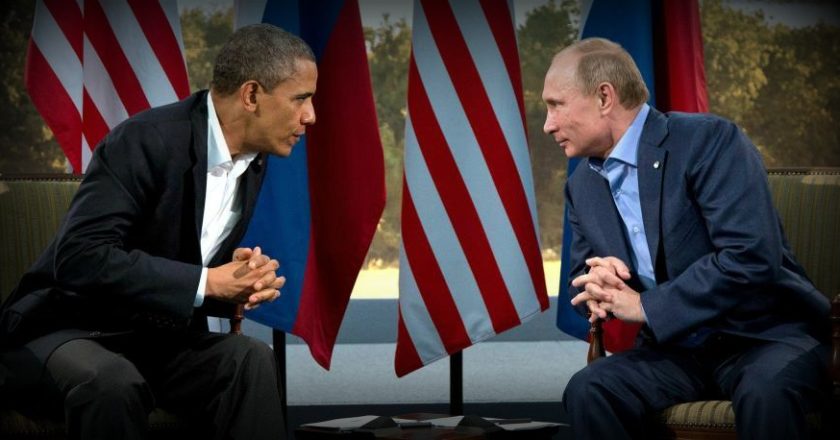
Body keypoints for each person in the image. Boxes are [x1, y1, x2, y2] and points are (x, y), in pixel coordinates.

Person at [0, 23, 316, 440]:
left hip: (154, 338)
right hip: (63, 330)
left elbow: (172, 252)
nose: (310, 116)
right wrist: (207, 281)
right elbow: (79, 257)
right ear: (252, 95)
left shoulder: (254, 160)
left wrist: (237, 280)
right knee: (111, 383)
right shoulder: (145, 140)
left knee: (249, 360)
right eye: (300, 99)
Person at [542, 38, 829, 439]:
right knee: (590, 388)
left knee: (766, 392)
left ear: (604, 97)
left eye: (556, 105)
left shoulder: (709, 141)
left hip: (768, 336)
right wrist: (598, 286)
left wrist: (645, 305)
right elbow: (581, 277)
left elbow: (750, 256)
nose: (548, 124)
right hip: (676, 352)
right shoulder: (582, 187)